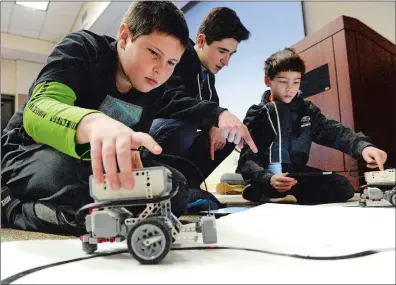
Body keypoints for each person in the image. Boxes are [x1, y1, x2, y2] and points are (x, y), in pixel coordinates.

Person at [1, 1, 257, 236]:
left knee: (172, 188)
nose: (161, 70)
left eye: (171, 62)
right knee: (79, 182)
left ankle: (81, 213)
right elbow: (38, 109)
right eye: (154, 53)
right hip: (27, 153)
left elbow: (173, 110)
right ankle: (10, 205)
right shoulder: (82, 48)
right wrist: (94, 124)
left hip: (97, 165)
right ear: (125, 37)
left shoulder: (153, 89)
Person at [237, 48, 387, 204]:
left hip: (295, 175)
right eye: (283, 81)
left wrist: (363, 147)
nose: (290, 88)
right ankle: (267, 190)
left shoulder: (307, 111)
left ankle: (283, 196)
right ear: (268, 81)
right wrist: (267, 178)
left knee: (343, 187)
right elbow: (246, 161)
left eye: (296, 82)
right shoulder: (257, 114)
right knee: (256, 183)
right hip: (266, 174)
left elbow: (335, 132)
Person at [149, 7, 251, 193]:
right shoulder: (178, 56)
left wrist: (215, 125)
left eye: (231, 54)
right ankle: (158, 187)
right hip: (151, 134)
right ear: (201, 40)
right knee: (183, 128)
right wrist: (216, 115)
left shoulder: (208, 76)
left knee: (227, 135)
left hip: (174, 139)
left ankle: (186, 187)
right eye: (222, 51)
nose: (226, 61)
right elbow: (170, 99)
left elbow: (209, 108)